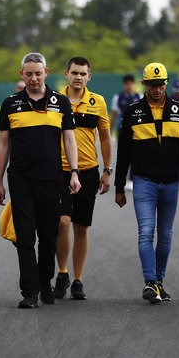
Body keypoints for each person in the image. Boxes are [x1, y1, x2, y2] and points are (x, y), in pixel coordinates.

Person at [0, 52, 80, 309]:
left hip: (52, 178)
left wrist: (74, 172)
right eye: (29, 74)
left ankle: (45, 283)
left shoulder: (61, 102)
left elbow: (69, 139)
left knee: (49, 236)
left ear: (46, 73)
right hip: (21, 179)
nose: (33, 78)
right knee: (24, 236)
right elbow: (3, 144)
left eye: (38, 73)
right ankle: (29, 291)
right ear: (22, 75)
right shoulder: (10, 104)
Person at [114, 62, 179, 304]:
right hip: (144, 182)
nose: (156, 90)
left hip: (171, 183)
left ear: (165, 84)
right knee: (146, 232)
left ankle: (160, 281)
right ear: (144, 84)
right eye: (152, 85)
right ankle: (150, 282)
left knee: (165, 235)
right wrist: (119, 186)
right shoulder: (132, 112)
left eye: (160, 85)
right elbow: (123, 152)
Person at [53, 57, 112, 300]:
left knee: (82, 228)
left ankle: (77, 279)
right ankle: (62, 272)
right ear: (66, 74)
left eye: (83, 73)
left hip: (89, 171)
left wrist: (108, 171)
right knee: (62, 223)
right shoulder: (55, 100)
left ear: (90, 76)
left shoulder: (97, 102)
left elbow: (106, 138)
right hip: (61, 171)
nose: (78, 77)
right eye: (74, 72)